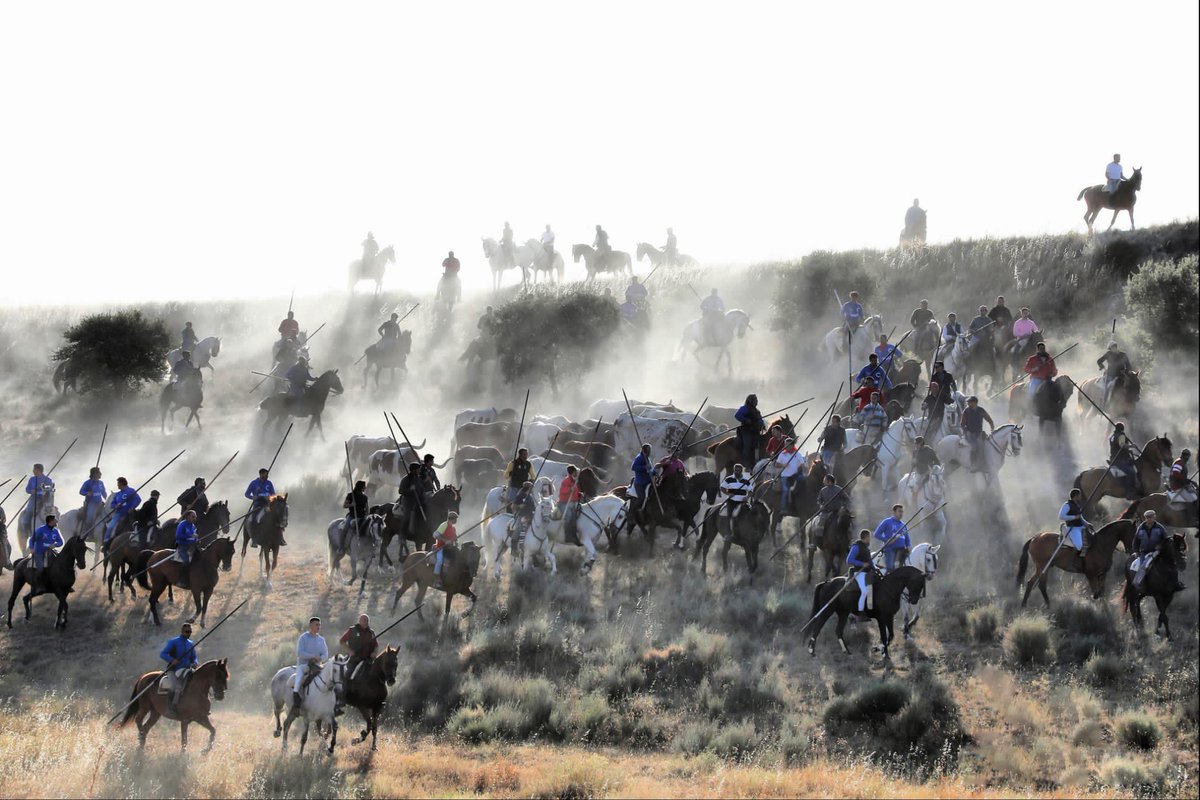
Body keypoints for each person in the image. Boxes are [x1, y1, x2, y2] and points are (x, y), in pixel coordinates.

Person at [292, 617, 329, 715]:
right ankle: (296, 701)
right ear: (310, 626)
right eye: (316, 624)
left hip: (317, 666)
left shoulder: (321, 639)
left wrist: (320, 658)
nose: (318, 627)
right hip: (304, 665)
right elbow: (299, 653)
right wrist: (312, 656)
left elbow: (325, 654)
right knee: (299, 679)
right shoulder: (303, 638)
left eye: (319, 625)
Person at [160, 622, 198, 716]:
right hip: (174, 669)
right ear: (182, 631)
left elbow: (194, 657)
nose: (188, 633)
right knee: (173, 686)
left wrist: (195, 662)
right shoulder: (173, 642)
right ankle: (170, 708)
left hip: (187, 669)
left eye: (190, 632)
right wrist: (172, 660)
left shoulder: (191, 643)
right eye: (187, 632)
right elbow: (163, 654)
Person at [339, 614, 378, 685]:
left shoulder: (371, 632)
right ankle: (344, 691)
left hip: (367, 660)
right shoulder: (352, 630)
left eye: (367, 621)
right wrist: (350, 651)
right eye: (364, 620)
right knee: (348, 674)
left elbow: (376, 645)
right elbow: (342, 641)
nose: (366, 622)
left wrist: (374, 653)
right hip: (354, 659)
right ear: (359, 621)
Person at [718, 463, 753, 540]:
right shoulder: (729, 479)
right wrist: (728, 493)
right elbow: (722, 487)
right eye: (735, 470)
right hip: (732, 502)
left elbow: (751, 490)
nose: (737, 472)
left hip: (742, 503)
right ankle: (729, 534)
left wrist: (747, 497)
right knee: (730, 516)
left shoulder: (746, 480)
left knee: (751, 514)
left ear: (741, 471)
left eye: (738, 471)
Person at [960, 396, 995, 472]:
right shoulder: (966, 411)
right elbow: (962, 424)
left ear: (974, 403)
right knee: (974, 447)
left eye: (970, 402)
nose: (968, 404)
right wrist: (966, 431)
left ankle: (982, 464)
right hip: (969, 433)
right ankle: (973, 465)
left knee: (984, 446)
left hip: (979, 433)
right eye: (968, 402)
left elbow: (989, 420)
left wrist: (992, 428)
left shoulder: (981, 410)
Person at [105, 477, 141, 549]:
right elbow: (112, 504)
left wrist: (132, 507)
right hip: (119, 514)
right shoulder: (117, 494)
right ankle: (106, 543)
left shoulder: (131, 491)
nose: (117, 485)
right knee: (110, 527)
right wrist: (116, 506)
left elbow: (138, 499)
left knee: (136, 525)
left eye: (118, 484)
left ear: (121, 484)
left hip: (129, 513)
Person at [873, 504, 911, 572]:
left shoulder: (903, 525)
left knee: (904, 569)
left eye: (902, 512)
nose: (901, 513)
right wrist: (887, 540)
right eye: (899, 511)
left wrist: (909, 546)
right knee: (890, 568)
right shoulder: (887, 522)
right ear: (894, 512)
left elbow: (907, 539)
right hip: (890, 549)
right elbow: (876, 534)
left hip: (902, 551)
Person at [814, 474, 848, 550]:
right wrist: (820, 506)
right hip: (826, 512)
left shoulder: (839, 489)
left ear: (829, 481)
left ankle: (849, 540)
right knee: (820, 523)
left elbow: (847, 499)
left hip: (837, 512)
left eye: (824, 480)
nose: (823, 482)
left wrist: (843, 507)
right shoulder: (823, 490)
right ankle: (817, 541)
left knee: (847, 522)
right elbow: (819, 500)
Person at [28, 514, 62, 588]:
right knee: (40, 568)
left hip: (50, 552)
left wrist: (54, 545)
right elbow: (32, 539)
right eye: (55, 520)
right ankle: (36, 583)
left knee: (60, 565)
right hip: (39, 552)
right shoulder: (40, 530)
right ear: (50, 521)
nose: (56, 521)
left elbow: (61, 542)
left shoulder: (56, 531)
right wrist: (31, 548)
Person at [1057, 488, 1091, 560]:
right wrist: (1074, 517)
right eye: (1079, 495)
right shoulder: (1067, 505)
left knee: (1091, 541)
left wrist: (1087, 524)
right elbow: (1061, 516)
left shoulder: (1077, 505)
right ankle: (1074, 560)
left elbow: (1080, 518)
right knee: (1079, 546)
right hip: (1072, 528)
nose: (1080, 496)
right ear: (1075, 496)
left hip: (1081, 527)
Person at [22, 464, 55, 536]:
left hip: (45, 499)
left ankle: (53, 528)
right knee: (29, 511)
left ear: (39, 470)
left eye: (34, 469)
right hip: (34, 499)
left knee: (53, 511)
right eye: (33, 469)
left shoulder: (47, 480)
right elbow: (27, 489)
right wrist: (31, 491)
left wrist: (41, 491)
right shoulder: (32, 479)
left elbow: (49, 489)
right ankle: (26, 529)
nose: (33, 471)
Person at [1108, 422, 1140, 495]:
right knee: (1131, 472)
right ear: (1123, 428)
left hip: (1113, 459)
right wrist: (1132, 446)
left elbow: (1116, 447)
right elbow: (1122, 445)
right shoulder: (1121, 435)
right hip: (1120, 459)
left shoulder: (1112, 436)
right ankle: (1130, 492)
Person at [774, 438, 804, 514]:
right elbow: (776, 465)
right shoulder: (782, 454)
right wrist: (783, 465)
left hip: (795, 476)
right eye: (785, 444)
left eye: (787, 445)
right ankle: (783, 508)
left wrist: (801, 466)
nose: (785, 446)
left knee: (803, 482)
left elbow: (802, 463)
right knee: (786, 490)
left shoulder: (797, 454)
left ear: (792, 445)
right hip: (785, 476)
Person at [847, 530, 875, 612]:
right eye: (869, 537)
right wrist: (862, 564)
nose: (870, 539)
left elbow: (869, 561)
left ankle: (870, 609)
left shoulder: (866, 547)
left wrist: (874, 568)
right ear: (866, 537)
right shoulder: (856, 546)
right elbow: (849, 560)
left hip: (867, 572)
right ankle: (860, 612)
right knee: (864, 592)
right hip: (859, 573)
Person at [734, 394, 765, 468]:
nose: (757, 401)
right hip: (746, 431)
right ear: (750, 401)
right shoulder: (745, 408)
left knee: (760, 444)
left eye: (757, 400)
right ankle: (746, 462)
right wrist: (746, 420)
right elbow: (737, 415)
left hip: (755, 431)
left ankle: (756, 461)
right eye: (755, 400)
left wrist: (762, 425)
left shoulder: (757, 411)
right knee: (747, 445)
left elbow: (760, 419)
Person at [245, 468, 275, 542]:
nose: (267, 476)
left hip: (267, 504)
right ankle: (254, 539)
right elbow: (246, 494)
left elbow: (273, 495)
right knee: (254, 520)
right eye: (266, 474)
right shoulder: (254, 483)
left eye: (267, 474)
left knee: (277, 517)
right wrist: (253, 497)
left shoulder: (269, 483)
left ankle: (277, 538)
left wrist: (270, 498)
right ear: (261, 474)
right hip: (258, 505)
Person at [398, 462, 427, 537]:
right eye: (418, 469)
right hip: (408, 502)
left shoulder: (419, 479)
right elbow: (400, 491)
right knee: (407, 517)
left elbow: (422, 490)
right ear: (414, 470)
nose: (419, 471)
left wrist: (423, 498)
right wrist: (410, 489)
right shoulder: (406, 479)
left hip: (419, 502)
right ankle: (402, 535)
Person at [341, 480, 369, 552]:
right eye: (364, 487)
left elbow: (367, 508)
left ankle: (370, 548)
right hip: (352, 516)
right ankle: (341, 547)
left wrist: (367, 515)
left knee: (371, 529)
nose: (365, 488)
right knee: (345, 529)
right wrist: (351, 505)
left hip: (362, 517)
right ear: (361, 487)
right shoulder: (350, 495)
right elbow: (344, 505)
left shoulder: (365, 497)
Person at [432, 512, 458, 587]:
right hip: (440, 547)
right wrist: (445, 540)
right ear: (452, 519)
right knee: (439, 561)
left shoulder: (453, 528)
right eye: (455, 518)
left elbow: (454, 538)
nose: (456, 520)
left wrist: (456, 541)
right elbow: (435, 534)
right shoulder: (444, 525)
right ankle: (436, 579)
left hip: (450, 549)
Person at [175, 510, 199, 588]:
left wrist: (197, 539)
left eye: (195, 517)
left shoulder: (193, 526)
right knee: (186, 562)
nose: (194, 518)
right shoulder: (182, 525)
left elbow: (194, 537)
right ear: (188, 516)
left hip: (191, 547)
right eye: (193, 517)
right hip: (182, 546)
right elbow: (178, 536)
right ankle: (181, 580)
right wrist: (190, 537)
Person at [79, 467, 108, 532]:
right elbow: (81, 491)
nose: (100, 474)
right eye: (98, 473)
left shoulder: (101, 483)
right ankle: (88, 532)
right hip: (91, 503)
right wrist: (87, 493)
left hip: (100, 503)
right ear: (94, 474)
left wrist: (107, 499)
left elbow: (103, 492)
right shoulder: (88, 483)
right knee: (90, 517)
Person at [558, 466, 581, 541]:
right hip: (564, 502)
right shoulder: (566, 481)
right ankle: (567, 536)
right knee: (568, 516)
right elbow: (562, 491)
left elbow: (576, 492)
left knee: (574, 518)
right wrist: (570, 489)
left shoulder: (575, 481)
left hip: (572, 502)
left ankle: (574, 536)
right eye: (575, 471)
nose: (577, 473)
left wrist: (580, 494)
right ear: (572, 472)